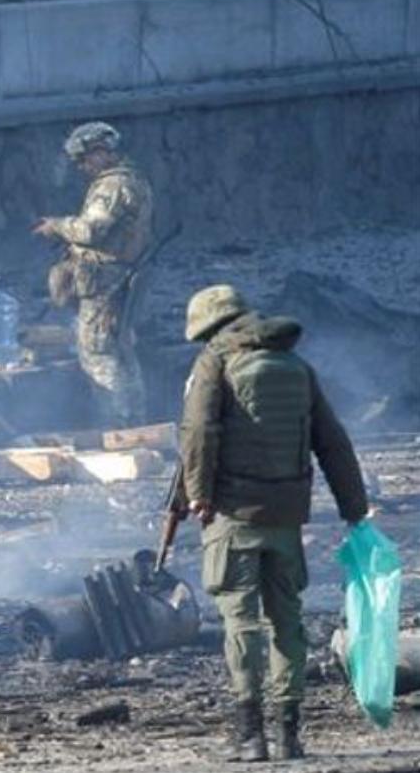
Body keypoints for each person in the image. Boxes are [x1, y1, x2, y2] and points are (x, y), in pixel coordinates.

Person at [177, 284, 369, 762]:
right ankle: (289, 735)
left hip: (233, 514)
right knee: (287, 620)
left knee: (241, 621)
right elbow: (333, 443)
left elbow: (198, 432)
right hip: (286, 515)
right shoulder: (298, 367)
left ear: (210, 329)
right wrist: (354, 509)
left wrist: (197, 495)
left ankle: (250, 736)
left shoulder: (213, 364)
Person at [34, 121, 153, 425]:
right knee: (122, 350)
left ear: (102, 152)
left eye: (85, 159)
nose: (82, 166)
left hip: (105, 283)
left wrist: (57, 226)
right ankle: (134, 422)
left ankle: (116, 424)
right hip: (120, 278)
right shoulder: (133, 179)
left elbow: (91, 230)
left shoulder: (113, 186)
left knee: (98, 353)